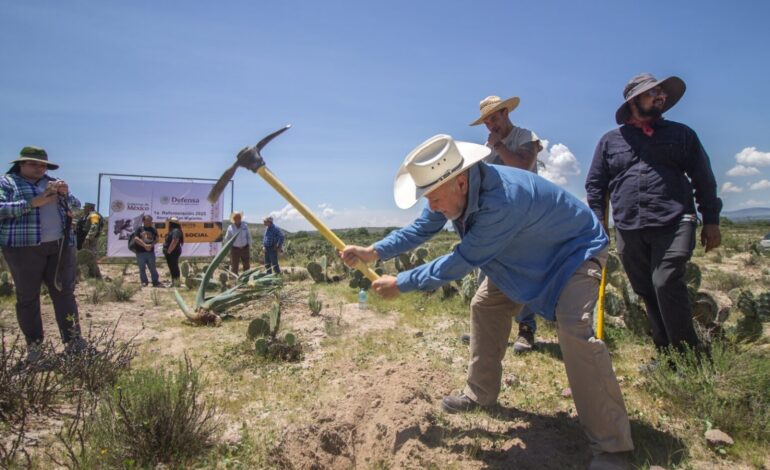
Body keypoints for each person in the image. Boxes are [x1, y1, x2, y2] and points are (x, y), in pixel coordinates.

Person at [341, 135, 633, 469]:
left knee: (575, 333)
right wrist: (374, 251)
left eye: (434, 198)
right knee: (485, 305)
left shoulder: (503, 201)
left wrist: (401, 283)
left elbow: (460, 260)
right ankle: (480, 394)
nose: (433, 205)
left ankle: (613, 447)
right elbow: (424, 226)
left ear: (461, 182)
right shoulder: (450, 190)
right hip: (520, 254)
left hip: (572, 254)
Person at [586, 73, 722, 357]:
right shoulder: (610, 141)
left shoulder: (682, 135)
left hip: (674, 220)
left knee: (666, 281)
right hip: (629, 226)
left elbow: (703, 178)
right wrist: (599, 222)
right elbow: (596, 184)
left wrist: (711, 220)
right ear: (635, 100)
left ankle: (689, 356)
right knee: (646, 290)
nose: (661, 97)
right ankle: (667, 355)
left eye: (662, 93)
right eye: (653, 93)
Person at [468, 94, 544, 353]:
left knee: (524, 273)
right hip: (495, 219)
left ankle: (526, 330)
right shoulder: (486, 148)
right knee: (485, 270)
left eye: (494, 118)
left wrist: (498, 146)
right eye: (487, 122)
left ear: (505, 113)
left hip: (525, 218)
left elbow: (524, 165)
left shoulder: (525, 136)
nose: (491, 126)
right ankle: (484, 332)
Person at [0, 146, 88, 364]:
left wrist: (65, 194)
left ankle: (74, 342)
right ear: (21, 164)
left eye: (42, 164)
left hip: (59, 246)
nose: (39, 168)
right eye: (33, 163)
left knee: (64, 292)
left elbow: (76, 206)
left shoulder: (53, 182)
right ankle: (35, 347)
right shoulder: (7, 183)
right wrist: (31, 203)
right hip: (23, 247)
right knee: (28, 297)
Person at [131, 214, 162, 287]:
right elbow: (136, 239)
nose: (149, 221)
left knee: (153, 268)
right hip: (140, 252)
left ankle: (155, 281)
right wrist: (145, 245)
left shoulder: (153, 229)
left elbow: (157, 239)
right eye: (148, 220)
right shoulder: (139, 229)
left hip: (150, 252)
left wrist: (151, 245)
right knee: (142, 268)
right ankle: (144, 282)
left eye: (150, 220)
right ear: (143, 221)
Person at [75, 202, 103, 279]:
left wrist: (88, 238)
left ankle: (96, 276)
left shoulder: (93, 215)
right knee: (87, 257)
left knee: (90, 257)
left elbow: (94, 226)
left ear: (90, 208)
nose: (84, 209)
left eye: (85, 207)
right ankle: (92, 275)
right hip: (86, 240)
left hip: (89, 241)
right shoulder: (88, 215)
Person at [163, 216, 184, 287]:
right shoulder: (174, 230)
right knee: (172, 266)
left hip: (173, 252)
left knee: (173, 266)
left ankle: (176, 282)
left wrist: (169, 251)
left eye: (169, 223)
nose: (168, 224)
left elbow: (175, 240)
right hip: (172, 252)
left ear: (172, 223)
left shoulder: (176, 231)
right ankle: (174, 282)